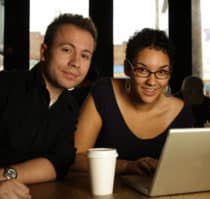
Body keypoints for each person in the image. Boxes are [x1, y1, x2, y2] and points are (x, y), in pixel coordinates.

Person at [0, 13, 97, 199]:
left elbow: (59, 162)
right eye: (67, 50)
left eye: (85, 56)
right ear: (44, 52)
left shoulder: (70, 108)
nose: (76, 63)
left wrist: (4, 176)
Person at [72, 28, 194, 176]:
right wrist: (126, 166)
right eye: (142, 70)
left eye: (161, 72)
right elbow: (75, 159)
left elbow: (184, 169)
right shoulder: (104, 93)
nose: (152, 81)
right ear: (127, 69)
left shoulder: (183, 113)